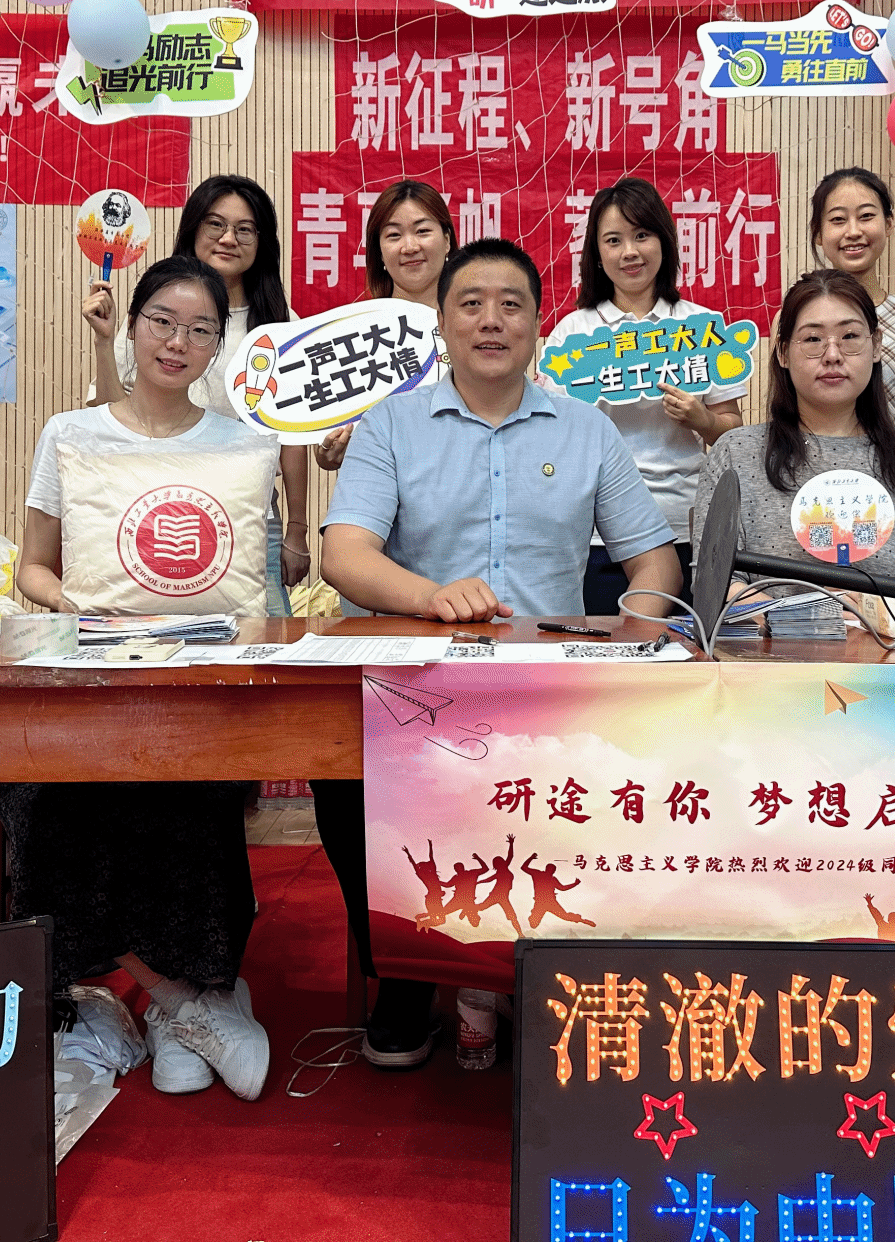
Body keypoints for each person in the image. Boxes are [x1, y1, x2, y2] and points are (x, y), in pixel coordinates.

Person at [315, 237, 679, 1069]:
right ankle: (404, 969)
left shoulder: (586, 429)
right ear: (441, 323)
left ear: (538, 324)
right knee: (344, 782)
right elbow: (345, 554)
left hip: (545, 691)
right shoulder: (391, 425)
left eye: (510, 304)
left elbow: (654, 560)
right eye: (470, 303)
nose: (491, 320)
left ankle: (540, 964)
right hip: (415, 686)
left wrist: (634, 638)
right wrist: (428, 597)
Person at [0, 254, 273, 1100]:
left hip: (200, 684)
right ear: (131, 325)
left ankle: (182, 1003)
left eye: (200, 330)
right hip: (96, 678)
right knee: (47, 798)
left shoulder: (244, 442)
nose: (177, 342)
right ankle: (183, 1002)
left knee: (190, 796)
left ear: (218, 346)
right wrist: (77, 606)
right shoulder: (71, 433)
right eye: (162, 321)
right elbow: (32, 568)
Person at [82, 175, 309, 614]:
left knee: (262, 639)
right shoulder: (156, 313)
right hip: (149, 510)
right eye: (215, 224)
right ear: (193, 229)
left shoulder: (281, 325)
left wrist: (296, 530)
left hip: (248, 518)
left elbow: (292, 436)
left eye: (245, 229)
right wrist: (104, 344)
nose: (229, 239)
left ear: (262, 242)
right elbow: (108, 416)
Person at [543, 178, 746, 613]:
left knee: (683, 648)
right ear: (597, 254)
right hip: (596, 530)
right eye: (613, 240)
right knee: (602, 647)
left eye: (642, 235)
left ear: (664, 241)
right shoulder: (573, 334)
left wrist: (702, 420)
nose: (629, 252)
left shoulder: (701, 327)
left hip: (686, 525)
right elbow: (548, 438)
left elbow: (733, 434)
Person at [692, 268, 895, 604]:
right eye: (813, 339)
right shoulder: (736, 453)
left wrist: (869, 614)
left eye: (850, 336)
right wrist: (801, 618)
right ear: (783, 353)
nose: (833, 355)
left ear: (876, 345)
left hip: (882, 640)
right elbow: (715, 581)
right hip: (767, 638)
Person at [316, 180, 456, 474]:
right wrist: (329, 450)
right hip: (378, 492)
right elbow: (328, 444)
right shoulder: (352, 336)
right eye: (394, 235)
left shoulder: (475, 326)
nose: (410, 246)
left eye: (422, 231)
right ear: (379, 252)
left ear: (447, 240)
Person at [808, 168, 895, 452]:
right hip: (810, 475)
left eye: (866, 216)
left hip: (892, 474)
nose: (853, 231)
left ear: (888, 224)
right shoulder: (794, 318)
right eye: (838, 220)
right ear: (819, 234)